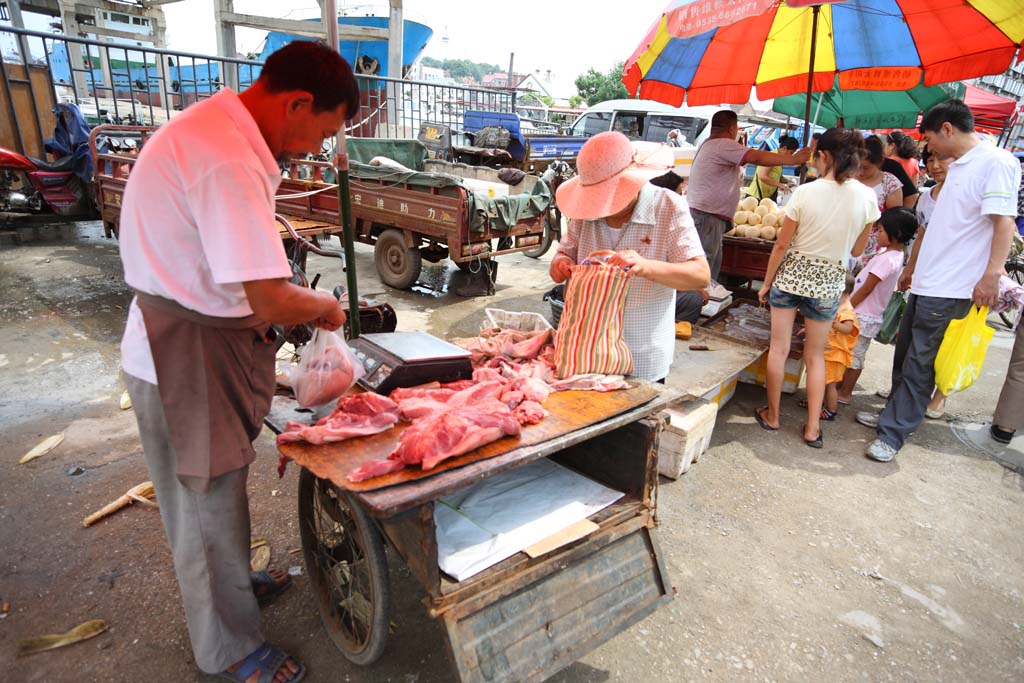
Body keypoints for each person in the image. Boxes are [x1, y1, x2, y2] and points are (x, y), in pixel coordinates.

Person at [118, 41, 360, 683]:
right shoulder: (226, 156)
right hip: (182, 360)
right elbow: (267, 294)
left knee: (218, 485)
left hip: (193, 342)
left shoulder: (222, 129)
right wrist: (322, 308)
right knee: (200, 503)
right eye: (324, 131)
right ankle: (226, 650)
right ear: (298, 102)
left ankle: (235, 586)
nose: (315, 148)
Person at [857, 99, 1021, 463]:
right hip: (928, 281)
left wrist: (992, 275)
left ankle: (893, 434)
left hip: (953, 285)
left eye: (930, 137)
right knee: (905, 356)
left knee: (921, 363)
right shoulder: (959, 167)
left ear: (947, 129)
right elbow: (936, 228)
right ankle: (891, 416)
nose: (928, 148)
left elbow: (1003, 223)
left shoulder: (996, 163)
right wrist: (913, 268)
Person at [551, 131, 711, 381]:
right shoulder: (584, 212)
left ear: (633, 182)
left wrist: (646, 267)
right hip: (584, 353)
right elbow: (562, 254)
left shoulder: (668, 207)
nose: (603, 209)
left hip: (642, 355)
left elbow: (700, 276)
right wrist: (560, 264)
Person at [753, 128, 878, 448]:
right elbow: (856, 251)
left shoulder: (805, 193)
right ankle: (811, 428)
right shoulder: (867, 197)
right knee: (816, 358)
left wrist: (767, 283)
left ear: (823, 156)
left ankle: (773, 416)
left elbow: (781, 246)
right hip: (827, 285)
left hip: (790, 277)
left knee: (778, 350)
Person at [687, 110, 811, 281]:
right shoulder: (722, 144)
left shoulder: (710, 144)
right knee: (704, 270)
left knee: (708, 268)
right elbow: (755, 157)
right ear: (732, 128)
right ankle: (696, 303)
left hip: (707, 217)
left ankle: (703, 299)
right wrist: (793, 160)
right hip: (707, 218)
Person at [837, 207, 919, 405]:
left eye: (881, 231)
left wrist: (847, 307)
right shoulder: (890, 255)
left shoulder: (888, 260)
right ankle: (840, 387)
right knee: (850, 352)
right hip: (864, 312)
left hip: (863, 314)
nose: (876, 234)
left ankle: (845, 392)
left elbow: (867, 289)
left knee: (855, 356)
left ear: (896, 234)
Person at [801, 274, 859, 423]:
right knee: (819, 378)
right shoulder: (838, 306)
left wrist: (832, 322)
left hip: (836, 354)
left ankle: (831, 410)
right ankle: (816, 402)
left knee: (830, 384)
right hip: (827, 351)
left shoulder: (847, 310)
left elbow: (847, 329)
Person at [855, 136, 903, 269]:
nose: (860, 172)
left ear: (879, 163)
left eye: (866, 168)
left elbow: (894, 219)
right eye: (857, 166)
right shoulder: (847, 178)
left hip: (875, 248)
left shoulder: (890, 183)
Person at [744, 135, 800, 202]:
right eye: (791, 153)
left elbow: (777, 176)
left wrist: (789, 182)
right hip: (756, 196)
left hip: (766, 196)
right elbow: (762, 176)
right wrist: (780, 185)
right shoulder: (772, 156)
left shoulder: (779, 159)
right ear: (784, 148)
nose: (791, 156)